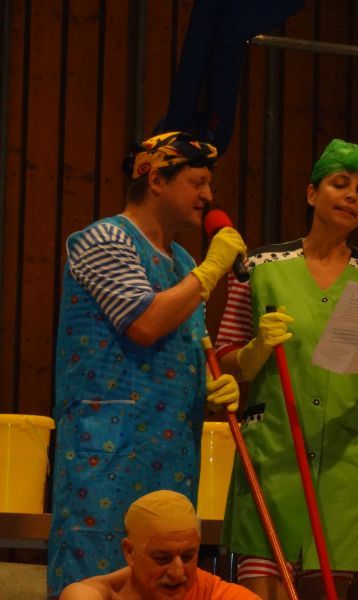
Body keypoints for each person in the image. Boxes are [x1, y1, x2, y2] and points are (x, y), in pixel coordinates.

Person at [215, 139, 358, 599]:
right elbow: (226, 359)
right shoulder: (259, 268)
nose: (352, 197)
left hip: (343, 466)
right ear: (311, 193)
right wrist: (258, 348)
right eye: (340, 184)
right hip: (273, 455)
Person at [48, 131, 244, 598]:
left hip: (172, 454)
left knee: (167, 579)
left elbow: (192, 346)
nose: (208, 196)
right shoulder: (105, 238)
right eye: (197, 182)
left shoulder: (183, 261)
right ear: (156, 179)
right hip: (108, 455)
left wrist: (216, 385)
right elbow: (144, 322)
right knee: (97, 576)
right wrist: (212, 270)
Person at [60, 490, 260, 600]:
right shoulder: (91, 595)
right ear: (129, 552)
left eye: (188, 556)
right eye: (163, 558)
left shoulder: (217, 595)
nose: (177, 573)